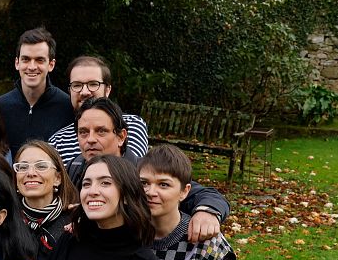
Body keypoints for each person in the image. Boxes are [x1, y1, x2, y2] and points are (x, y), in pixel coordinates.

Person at [67, 97, 230, 243]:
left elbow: (204, 194)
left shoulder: (144, 173)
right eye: (83, 132)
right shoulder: (74, 168)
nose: (90, 139)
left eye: (101, 131)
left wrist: (207, 212)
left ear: (121, 137)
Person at [48, 56, 149, 164]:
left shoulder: (131, 125)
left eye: (93, 84)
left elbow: (133, 172)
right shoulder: (58, 141)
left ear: (107, 90)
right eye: (77, 85)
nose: (85, 92)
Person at [0, 27, 74, 155]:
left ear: (51, 64)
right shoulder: (0, 106)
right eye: (26, 59)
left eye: (39, 60)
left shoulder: (68, 106)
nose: (32, 67)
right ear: (17, 63)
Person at [13, 140, 79, 260]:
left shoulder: (74, 223)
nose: (30, 173)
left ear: (58, 178)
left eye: (41, 166)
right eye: (23, 167)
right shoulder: (4, 221)